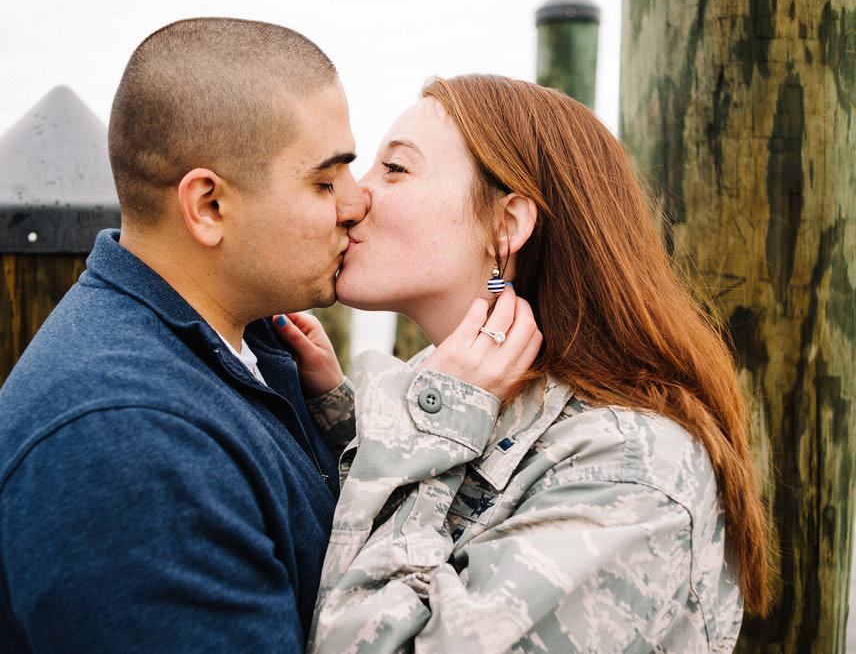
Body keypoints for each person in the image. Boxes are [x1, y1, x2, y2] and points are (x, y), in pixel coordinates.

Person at [276, 74, 769, 652]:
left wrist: (430, 426)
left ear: (507, 226)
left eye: (395, 169)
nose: (353, 198)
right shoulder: (471, 389)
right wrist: (342, 415)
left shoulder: (628, 474)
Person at [0, 18, 364, 652]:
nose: (356, 203)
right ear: (208, 206)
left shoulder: (253, 344)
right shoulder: (126, 448)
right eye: (325, 181)